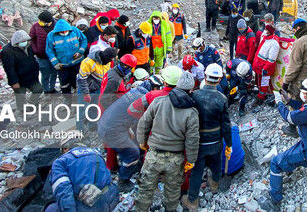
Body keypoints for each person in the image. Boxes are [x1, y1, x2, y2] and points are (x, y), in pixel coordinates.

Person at [261, 78, 307, 210]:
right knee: (287, 156)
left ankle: (275, 200)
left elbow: (289, 117)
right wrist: (289, 100)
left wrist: (279, 103)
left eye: (304, 92)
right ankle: (289, 165)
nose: (302, 94)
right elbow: (302, 108)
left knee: (275, 163)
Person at [136, 71, 199, 212]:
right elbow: (192, 140)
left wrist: (142, 142)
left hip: (153, 156)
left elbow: (144, 123)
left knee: (145, 190)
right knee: (172, 193)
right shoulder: (191, 112)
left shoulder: (159, 102)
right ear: (191, 90)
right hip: (176, 160)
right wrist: (191, 160)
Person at [183, 64, 233, 211]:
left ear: (205, 77)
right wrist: (229, 144)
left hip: (198, 142)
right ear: (219, 80)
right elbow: (226, 125)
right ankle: (215, 184)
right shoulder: (222, 98)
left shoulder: (195, 95)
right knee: (216, 163)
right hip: (215, 141)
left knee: (197, 170)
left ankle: (192, 200)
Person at [98, 74, 159, 191]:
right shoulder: (144, 98)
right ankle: (123, 180)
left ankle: (117, 166)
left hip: (106, 124)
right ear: (155, 88)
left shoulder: (136, 91)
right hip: (112, 130)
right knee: (133, 153)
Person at [281, 18, 307, 137]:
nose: (294, 32)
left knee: (294, 101)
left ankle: (292, 128)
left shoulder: (300, 42)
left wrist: (285, 83)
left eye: (294, 29)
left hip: (301, 80)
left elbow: (294, 67)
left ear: (298, 28)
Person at [46, 145, 118, 212]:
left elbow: (64, 193)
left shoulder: (60, 162)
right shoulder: (96, 152)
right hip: (112, 198)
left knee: (50, 208)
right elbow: (108, 176)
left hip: (93, 207)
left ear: (66, 149)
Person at [0, 30, 44, 110]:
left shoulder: (28, 46)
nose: (25, 42)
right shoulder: (7, 51)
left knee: (38, 89)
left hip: (31, 76)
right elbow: (9, 69)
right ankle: (22, 110)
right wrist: (14, 82)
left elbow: (31, 59)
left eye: (26, 41)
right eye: (23, 41)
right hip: (19, 78)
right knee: (20, 96)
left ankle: (32, 103)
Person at [77, 48, 118, 130]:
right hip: (86, 91)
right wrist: (86, 94)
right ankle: (80, 129)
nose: (111, 61)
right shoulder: (88, 63)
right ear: (106, 57)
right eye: (111, 59)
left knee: (94, 109)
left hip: (97, 89)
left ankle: (92, 126)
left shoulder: (107, 62)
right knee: (82, 111)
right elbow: (81, 79)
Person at [45, 19, 87, 94]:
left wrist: (80, 52)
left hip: (77, 63)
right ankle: (67, 97)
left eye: (66, 31)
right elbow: (49, 50)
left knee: (77, 81)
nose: (64, 32)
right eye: (62, 32)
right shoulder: (51, 36)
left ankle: (77, 93)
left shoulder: (75, 31)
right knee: (64, 83)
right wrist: (55, 63)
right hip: (62, 65)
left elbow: (83, 40)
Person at [29, 10, 57, 94]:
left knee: (54, 72)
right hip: (41, 56)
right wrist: (35, 50)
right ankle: (46, 89)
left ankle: (52, 88)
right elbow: (31, 39)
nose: (40, 22)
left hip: (54, 55)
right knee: (45, 73)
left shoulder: (56, 26)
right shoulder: (35, 26)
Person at [252, 24, 280, 103]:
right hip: (260, 65)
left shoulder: (274, 43)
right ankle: (260, 94)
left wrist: (265, 68)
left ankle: (261, 98)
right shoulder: (265, 37)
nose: (265, 31)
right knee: (259, 81)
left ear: (270, 31)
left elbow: (272, 59)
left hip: (265, 68)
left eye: (267, 30)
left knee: (264, 83)